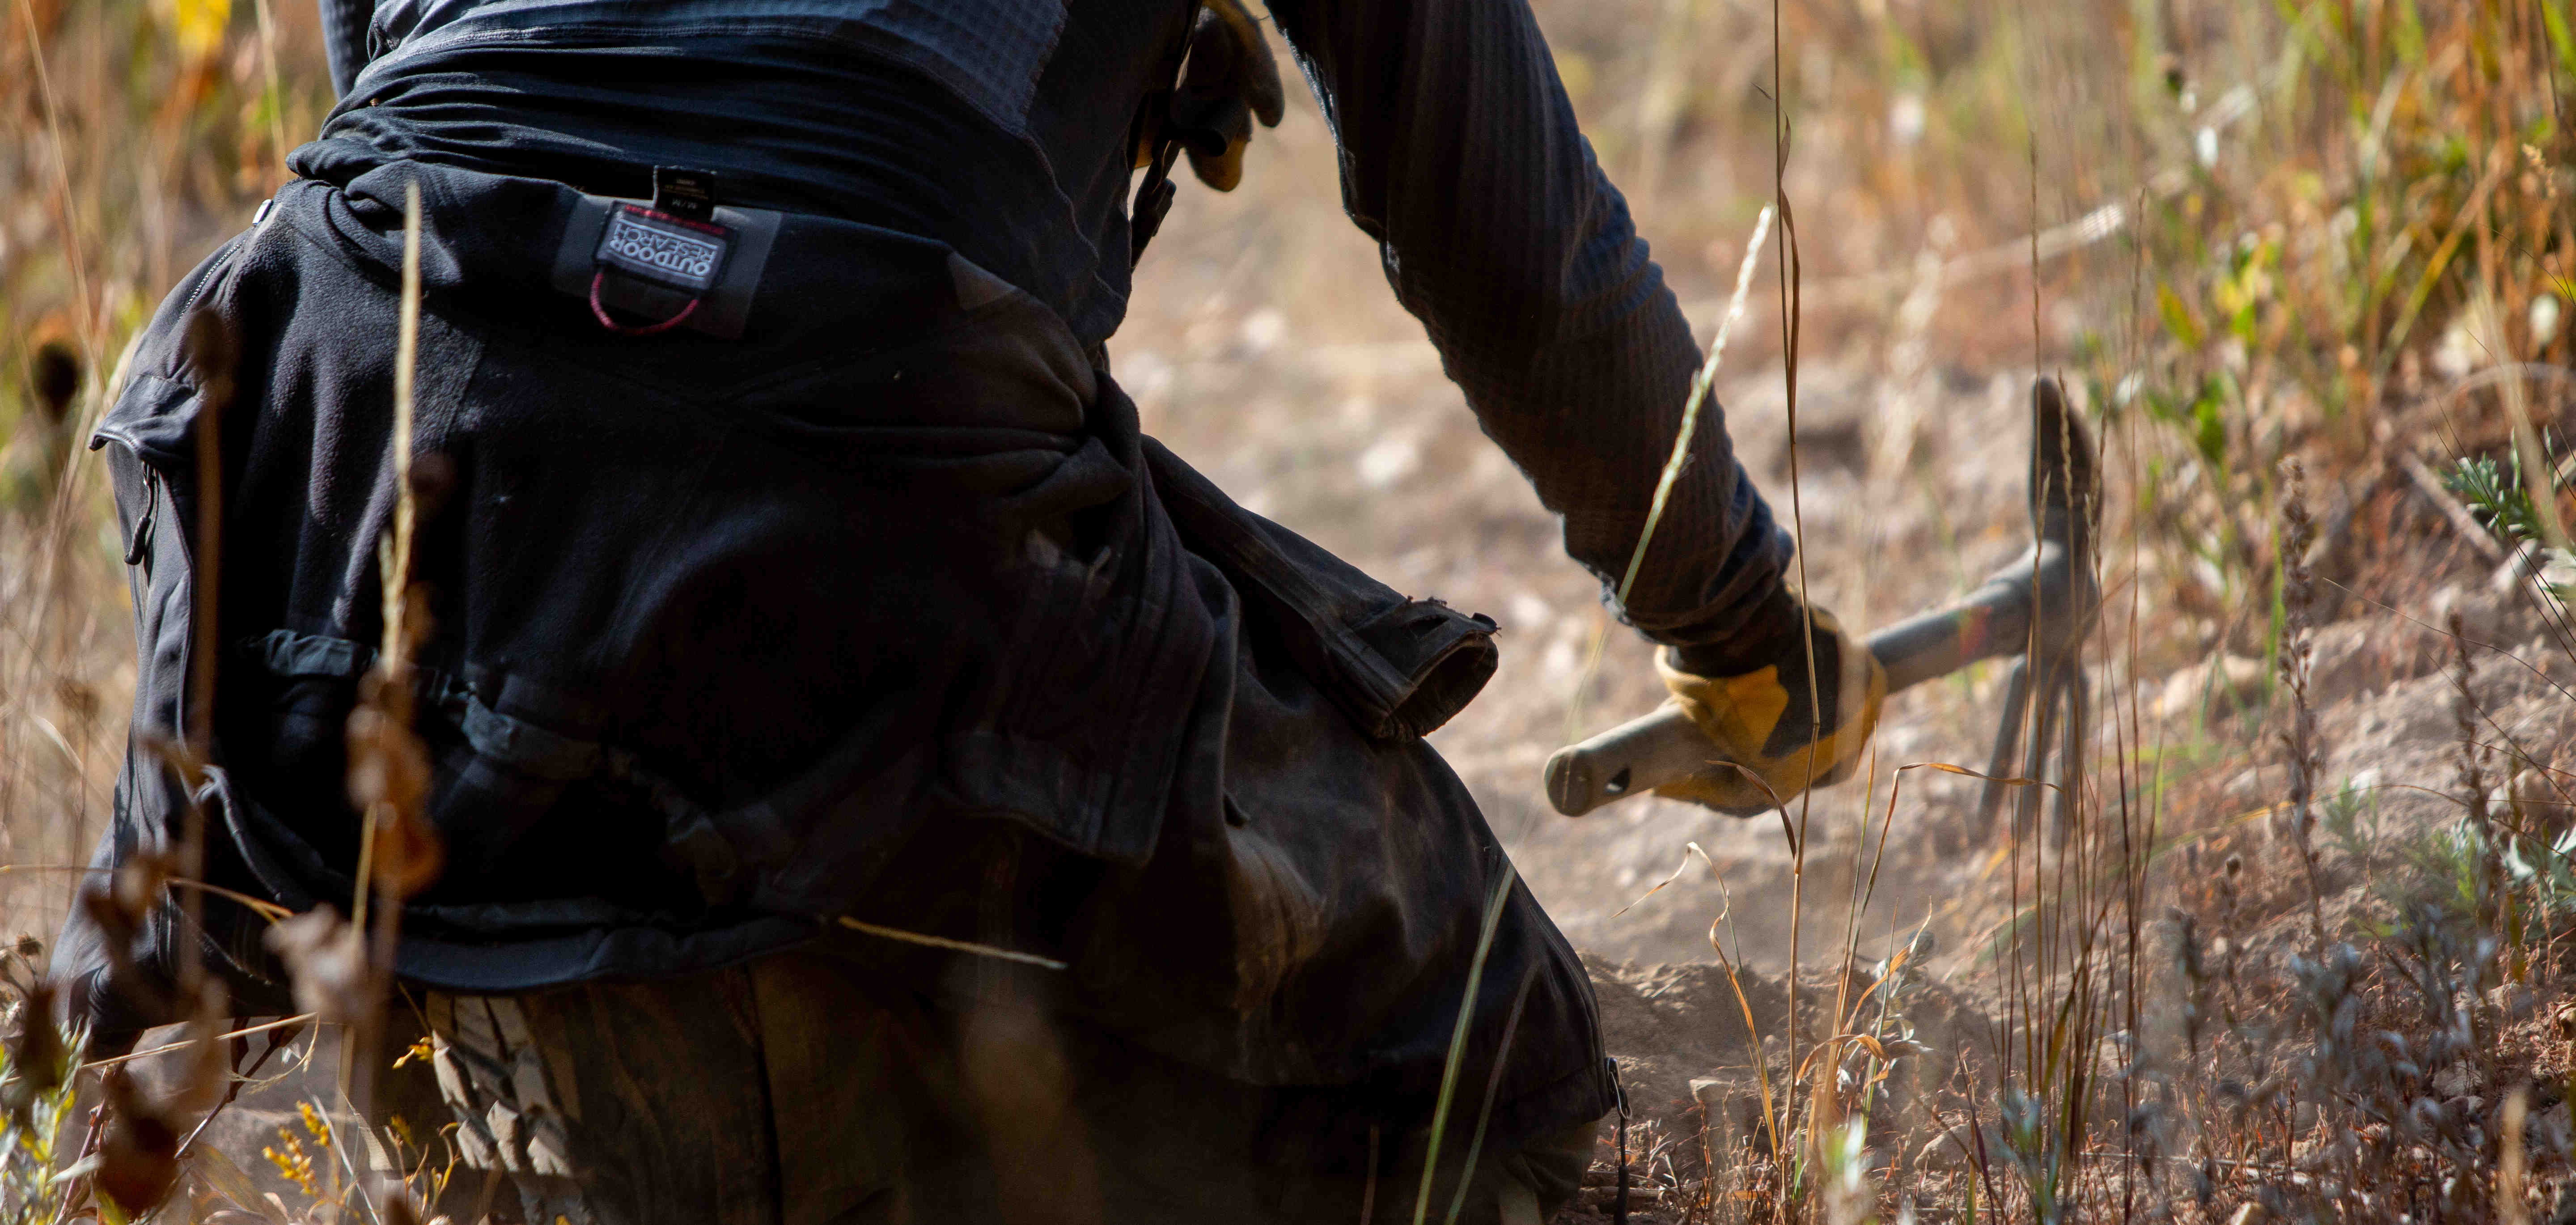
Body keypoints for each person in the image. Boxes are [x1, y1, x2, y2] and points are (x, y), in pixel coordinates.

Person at [54, 0, 1885, 1220]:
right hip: (867, 445)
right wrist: (1735, 620)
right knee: (1506, 1071)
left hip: (343, 407)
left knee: (175, 1023)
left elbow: (432, 80)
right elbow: (1513, 232)